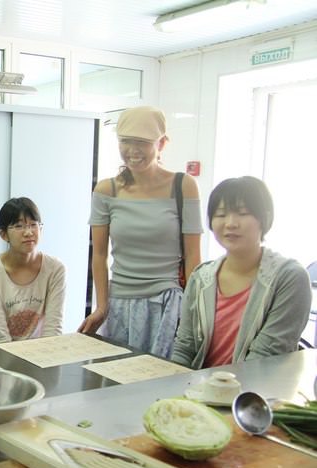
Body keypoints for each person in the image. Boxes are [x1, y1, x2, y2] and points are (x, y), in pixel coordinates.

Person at [78, 105, 203, 358]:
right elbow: (99, 255)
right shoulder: (106, 190)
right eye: (125, 141)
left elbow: (193, 256)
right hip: (120, 304)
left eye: (142, 143)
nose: (132, 151)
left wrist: (193, 311)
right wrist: (102, 307)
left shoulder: (184, 186)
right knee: (119, 375)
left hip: (168, 305)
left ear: (162, 143)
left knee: (166, 374)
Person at [171, 177, 310, 369]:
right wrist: (173, 382)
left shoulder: (288, 278)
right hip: (198, 385)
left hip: (256, 386)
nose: (230, 223)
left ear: (265, 218)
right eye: (220, 214)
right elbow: (185, 347)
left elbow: (265, 355)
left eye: (243, 213)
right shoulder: (201, 277)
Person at [0, 197, 66, 343]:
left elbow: (53, 331)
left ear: (41, 229)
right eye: (19, 226)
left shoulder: (55, 269)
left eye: (33, 225)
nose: (28, 232)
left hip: (39, 350)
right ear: (3, 234)